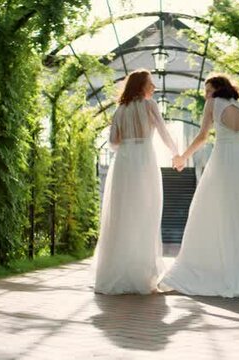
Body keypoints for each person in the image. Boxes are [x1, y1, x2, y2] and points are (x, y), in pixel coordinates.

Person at [159, 74, 239, 298]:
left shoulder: (213, 103)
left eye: (207, 90)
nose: (205, 95)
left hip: (223, 163)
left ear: (218, 89)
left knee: (211, 213)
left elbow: (202, 136)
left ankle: (219, 268)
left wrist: (183, 157)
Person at [93, 69, 180, 295]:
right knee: (146, 213)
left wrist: (127, 139)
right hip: (144, 161)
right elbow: (162, 131)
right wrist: (177, 154)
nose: (154, 87)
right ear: (141, 85)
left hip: (123, 162)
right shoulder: (149, 106)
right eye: (151, 83)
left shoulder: (120, 110)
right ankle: (143, 275)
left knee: (122, 214)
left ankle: (116, 272)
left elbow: (113, 141)